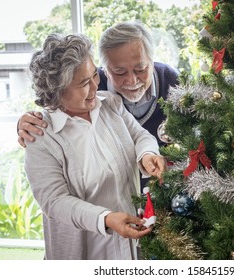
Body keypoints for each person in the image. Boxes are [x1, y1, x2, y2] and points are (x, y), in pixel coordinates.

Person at [24, 33, 166, 260]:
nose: (94, 86)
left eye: (94, 76)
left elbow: (140, 136)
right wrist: (106, 219)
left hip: (130, 249)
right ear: (57, 90)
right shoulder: (40, 137)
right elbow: (55, 202)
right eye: (83, 83)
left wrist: (147, 154)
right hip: (89, 254)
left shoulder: (110, 104)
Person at [17, 21, 179, 147]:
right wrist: (25, 124)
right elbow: (56, 112)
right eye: (119, 72)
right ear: (104, 70)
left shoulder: (171, 81)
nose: (132, 81)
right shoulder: (90, 86)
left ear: (152, 61)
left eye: (140, 69)